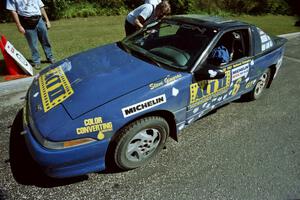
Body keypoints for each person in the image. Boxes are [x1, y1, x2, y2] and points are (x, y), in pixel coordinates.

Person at [6, 0, 55, 70]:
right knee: (33, 44)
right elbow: (13, 11)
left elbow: (41, 6)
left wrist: (47, 20)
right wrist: (19, 26)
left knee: (45, 40)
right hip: (26, 22)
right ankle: (37, 61)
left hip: (39, 20)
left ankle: (50, 57)